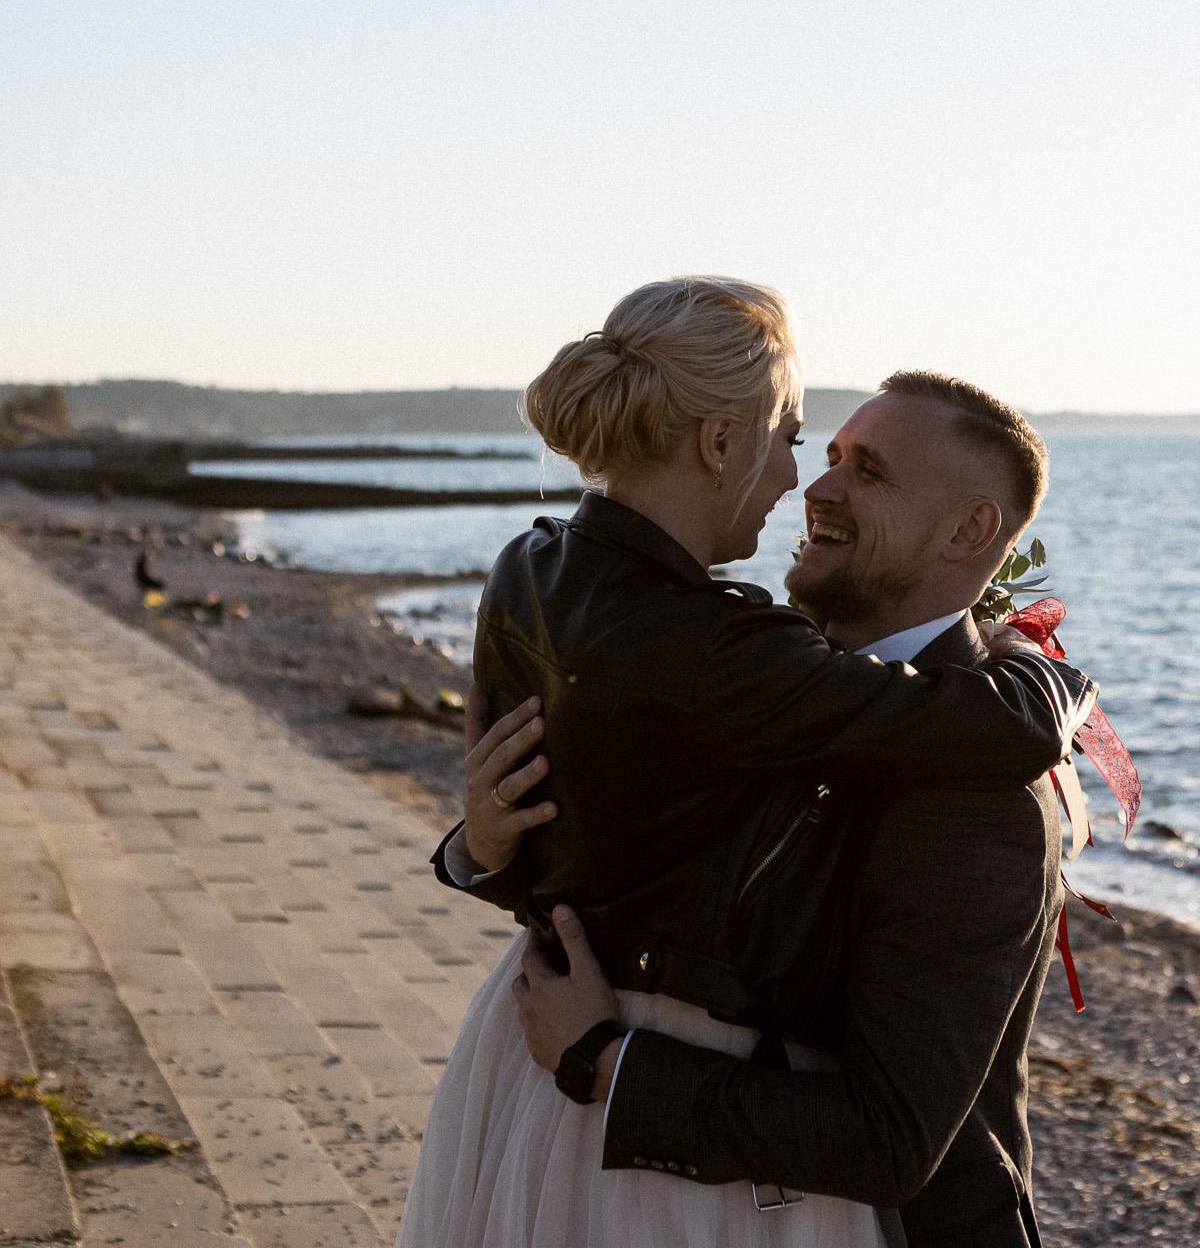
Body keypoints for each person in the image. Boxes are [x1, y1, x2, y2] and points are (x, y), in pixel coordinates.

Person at [398, 280, 1095, 1248]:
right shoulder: (733, 663)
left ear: (969, 532)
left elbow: (890, 1135)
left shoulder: (969, 795)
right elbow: (631, 847)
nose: (808, 483)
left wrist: (608, 1059)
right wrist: (485, 841)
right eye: (812, 445)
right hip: (601, 1133)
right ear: (716, 441)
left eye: (867, 470)